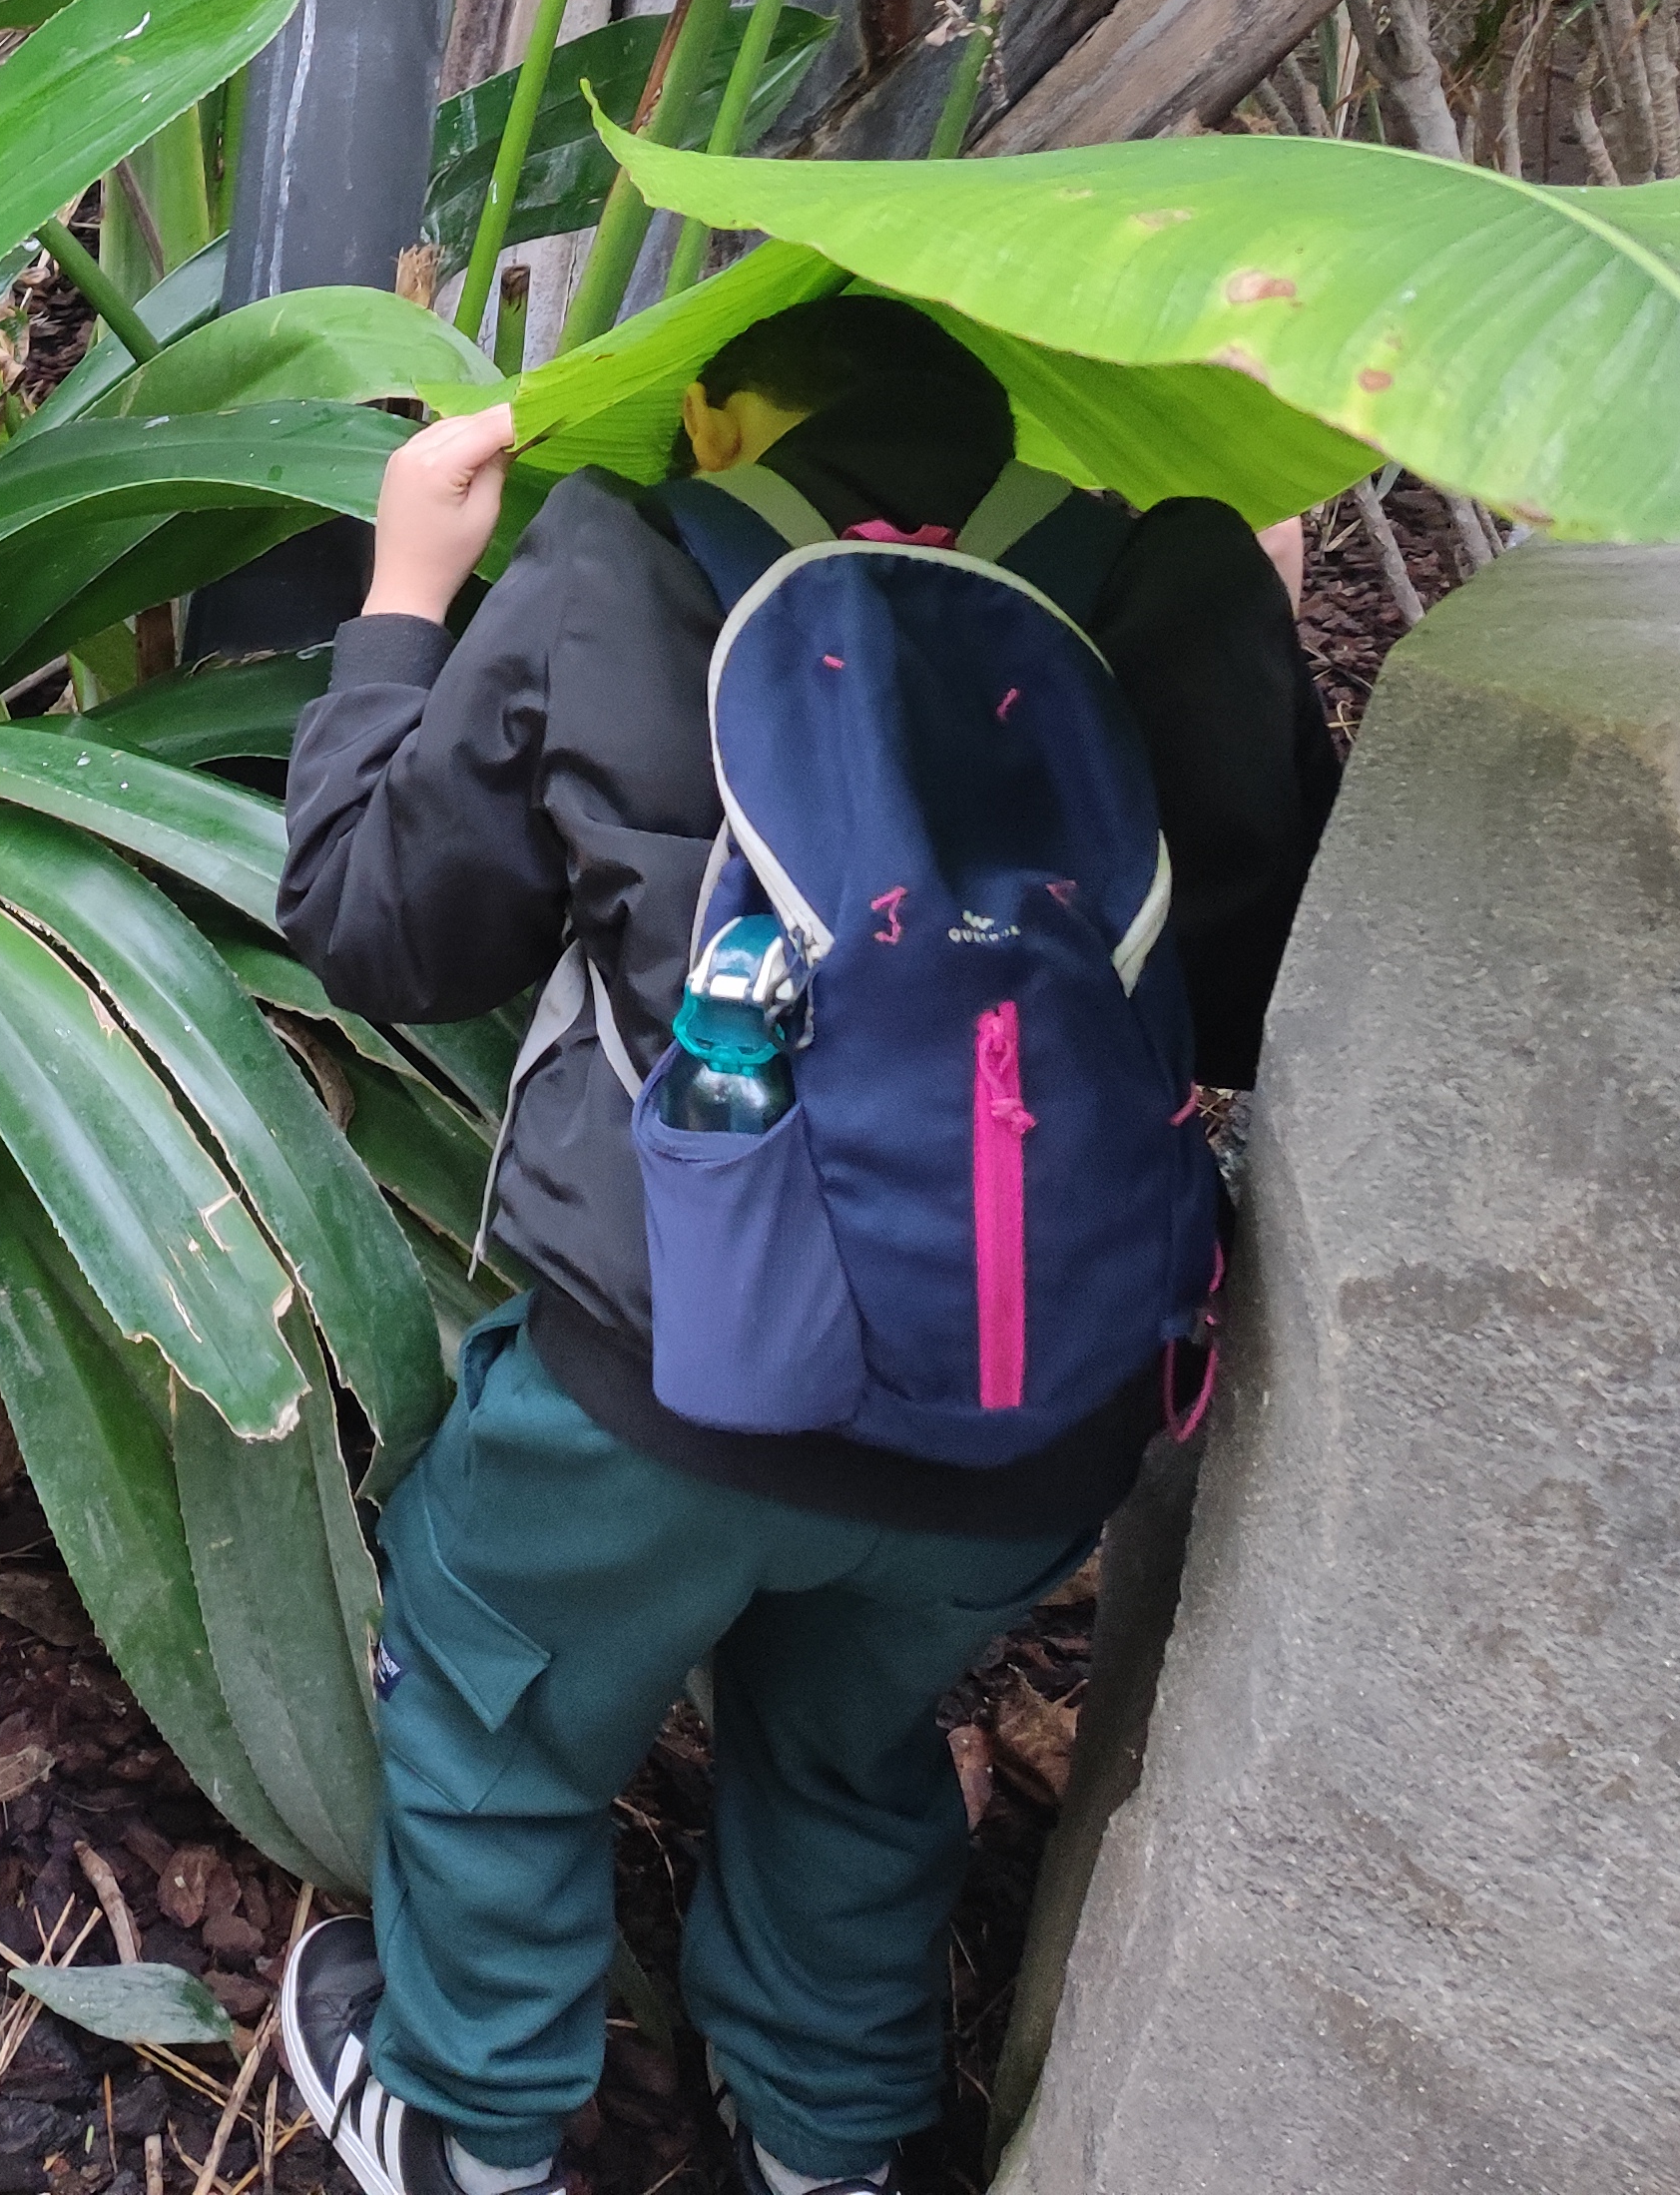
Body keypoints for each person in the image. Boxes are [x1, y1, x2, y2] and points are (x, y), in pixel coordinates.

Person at [271, 294, 1337, 2195]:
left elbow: (375, 924)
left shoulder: (624, 560)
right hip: (1030, 1415)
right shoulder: (1162, 586)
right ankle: (833, 2148)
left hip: (660, 1394)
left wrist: (406, 598)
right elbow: (1252, 997)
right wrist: (1245, 611)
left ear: (718, 414)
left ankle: (469, 2125)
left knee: (497, 1690)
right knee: (852, 1745)